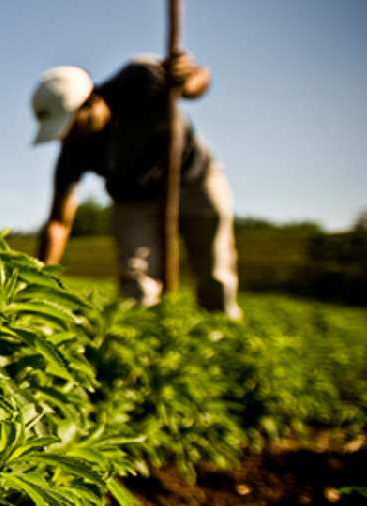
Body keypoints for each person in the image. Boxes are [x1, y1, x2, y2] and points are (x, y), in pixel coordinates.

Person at [31, 55, 241, 319]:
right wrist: (39, 278)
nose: (70, 135)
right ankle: (142, 336)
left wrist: (186, 81)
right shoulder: (73, 149)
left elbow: (200, 77)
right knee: (136, 277)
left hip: (193, 178)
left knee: (214, 266)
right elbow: (59, 223)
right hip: (132, 198)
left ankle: (221, 327)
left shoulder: (140, 79)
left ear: (92, 102)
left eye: (74, 124)